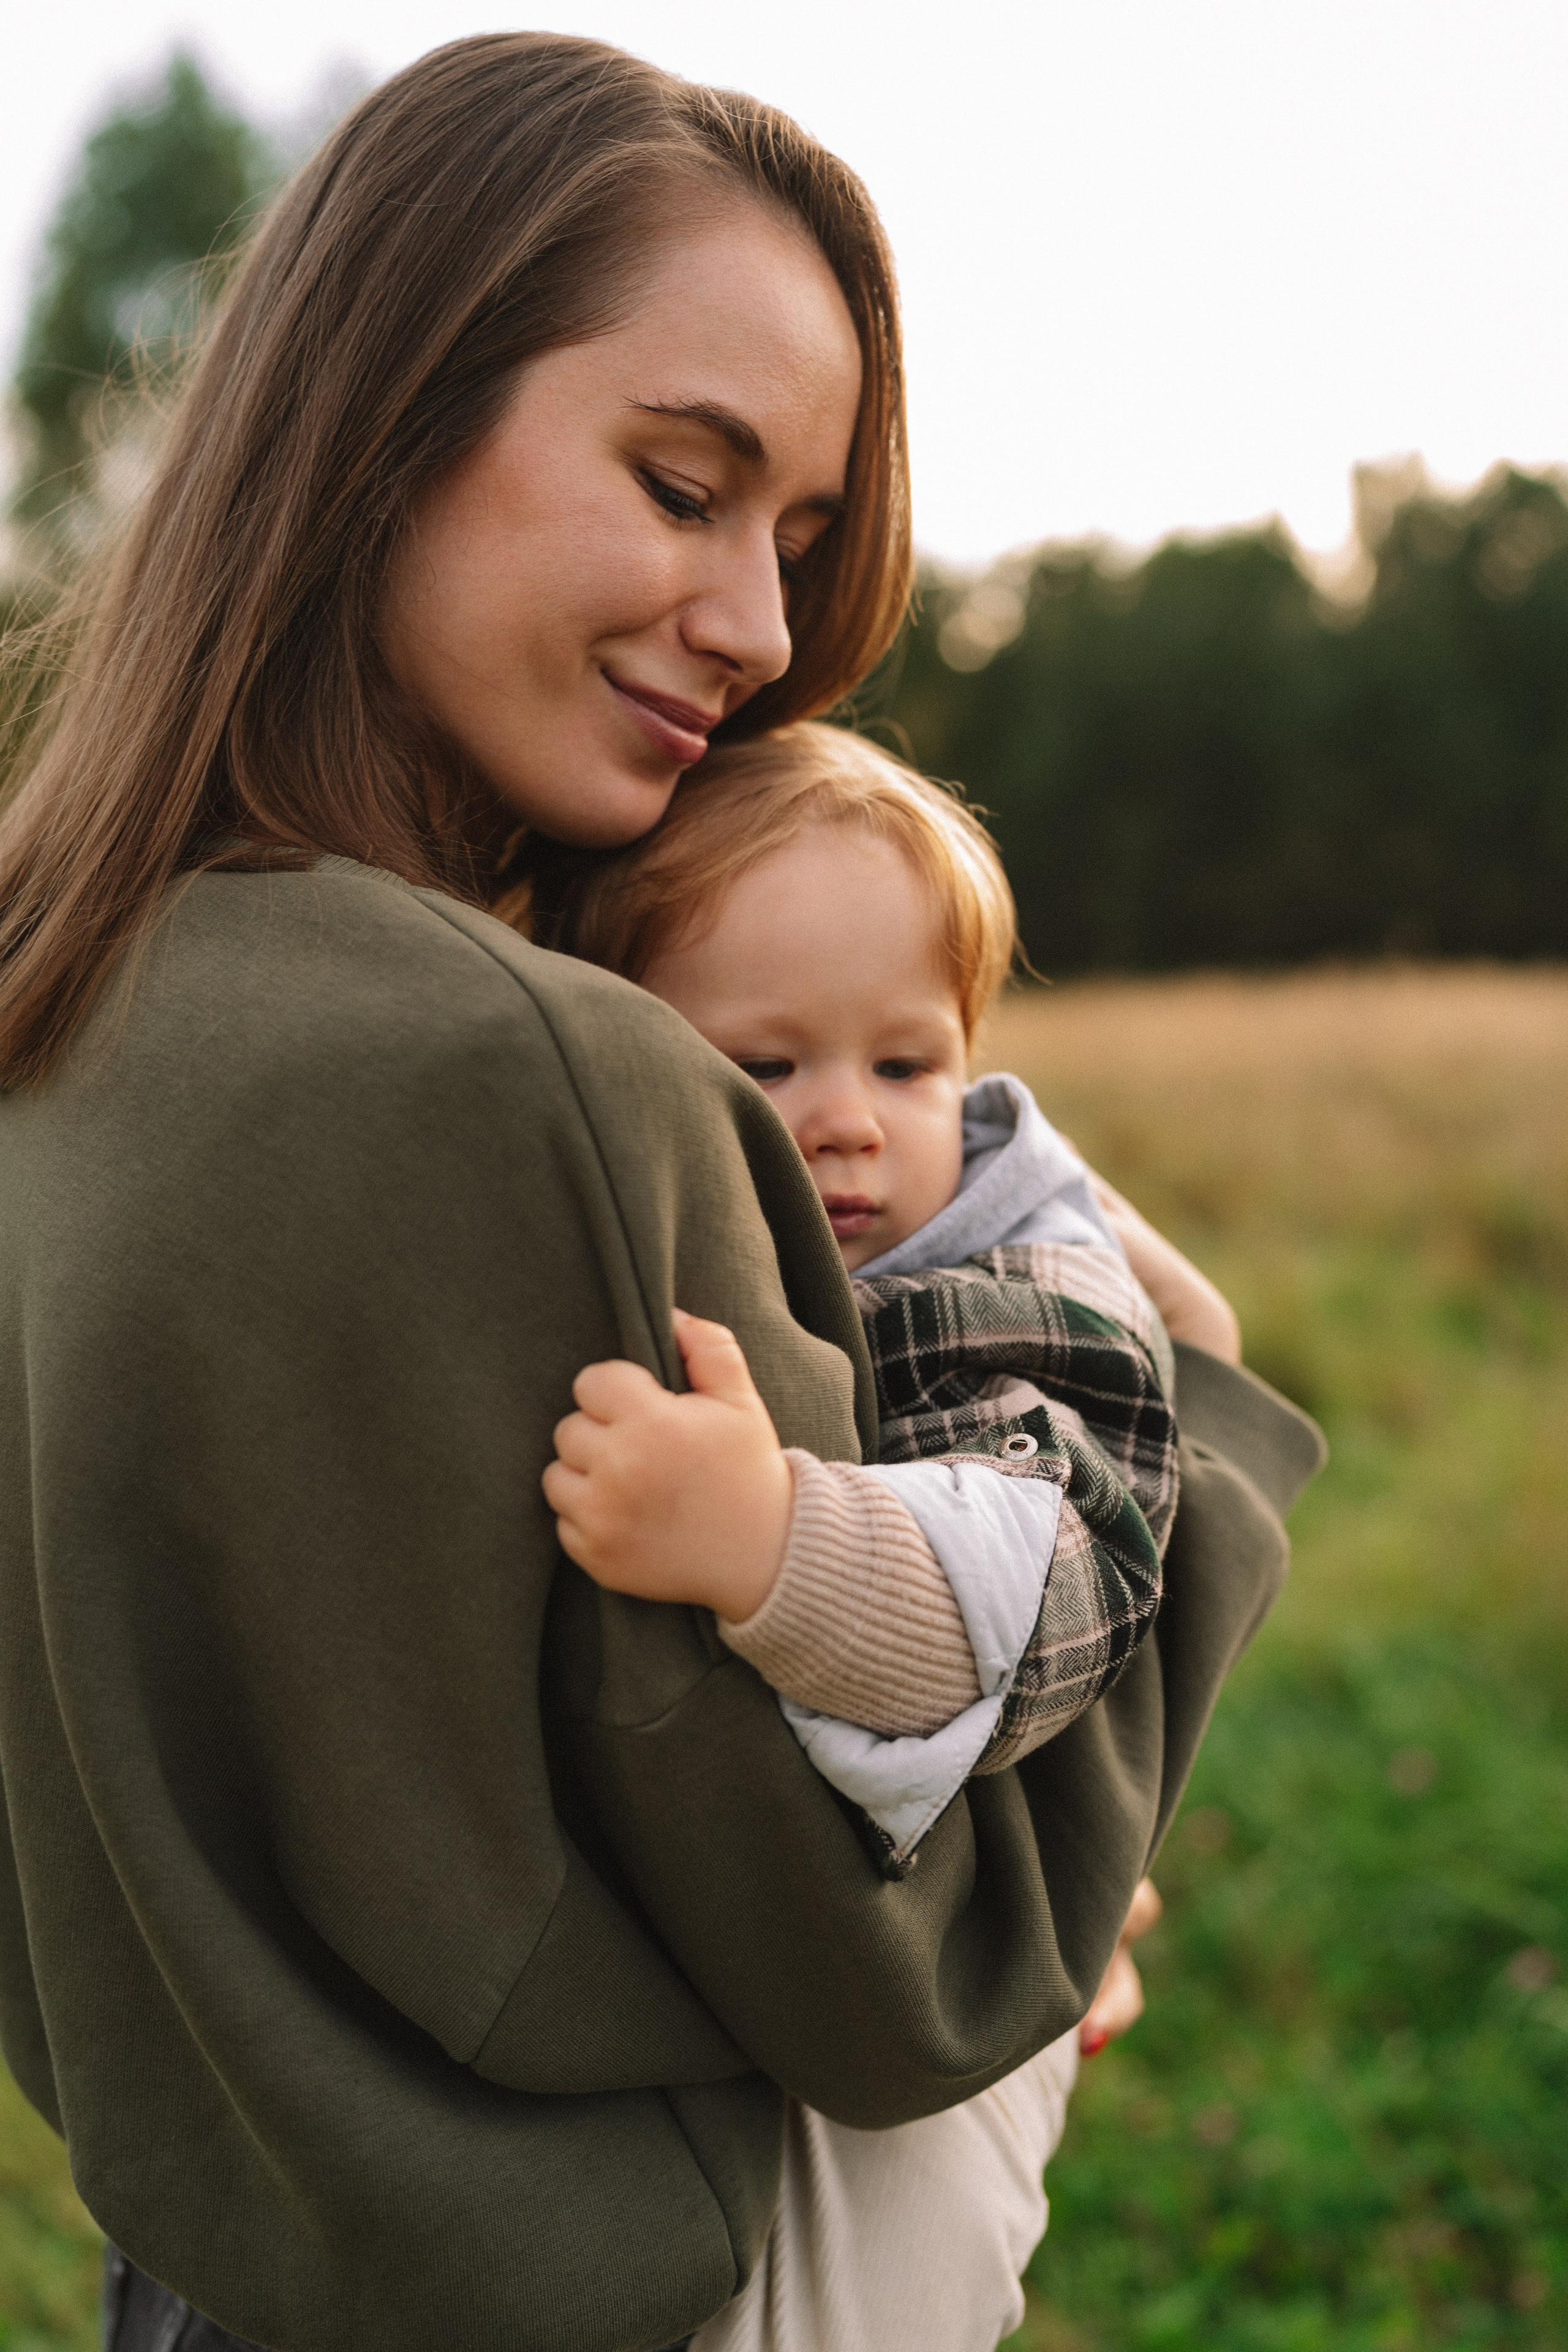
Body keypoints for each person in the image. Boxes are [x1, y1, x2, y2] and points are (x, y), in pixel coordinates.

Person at [0, 34, 1322, 2352]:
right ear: (384, 412)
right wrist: (1190, 1425)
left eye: (798, 539)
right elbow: (916, 1965)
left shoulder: (64, 1000)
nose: (766, 627)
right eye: (683, 483)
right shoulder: (541, 1074)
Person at [533, 720, 1299, 2350]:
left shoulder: (1013, 1297)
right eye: (767, 1064)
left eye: (905, 1064)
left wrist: (770, 1539)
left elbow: (1041, 1585)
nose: (847, 1123)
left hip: (924, 2082)